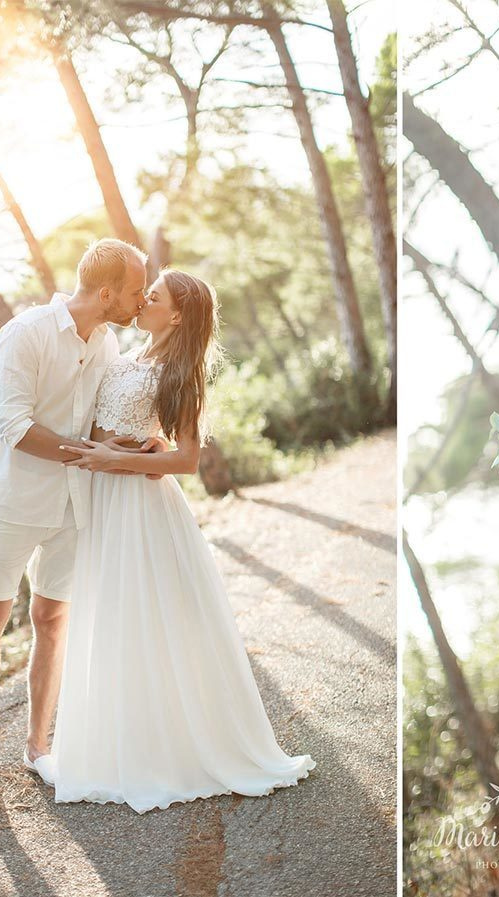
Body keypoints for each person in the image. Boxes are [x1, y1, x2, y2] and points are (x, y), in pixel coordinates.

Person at [49, 268, 314, 813]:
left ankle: (174, 747)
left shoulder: (181, 371)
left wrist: (116, 458)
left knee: (153, 618)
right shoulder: (124, 356)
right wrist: (119, 445)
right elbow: (112, 427)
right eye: (145, 295)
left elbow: (187, 459)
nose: (142, 302)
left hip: (143, 507)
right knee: (113, 619)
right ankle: (125, 744)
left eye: (155, 297)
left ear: (176, 315)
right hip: (106, 502)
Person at [0, 239, 152, 795]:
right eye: (136, 291)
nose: (142, 300)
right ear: (106, 292)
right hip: (10, 501)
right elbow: (13, 426)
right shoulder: (25, 334)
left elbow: (104, 423)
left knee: (51, 620)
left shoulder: (109, 345)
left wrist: (139, 450)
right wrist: (85, 454)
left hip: (73, 505)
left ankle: (38, 747)